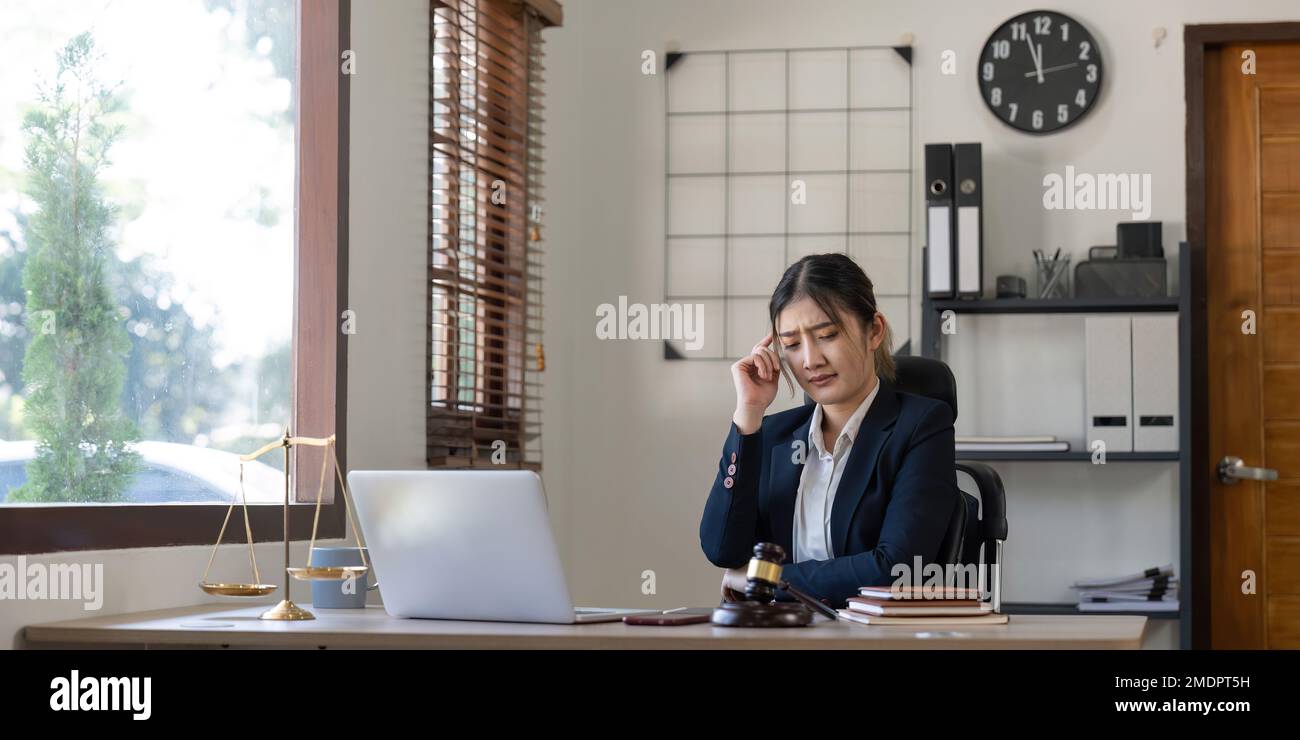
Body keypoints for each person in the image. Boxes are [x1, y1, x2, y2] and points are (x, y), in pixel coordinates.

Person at [699, 253, 959, 608]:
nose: (810, 360)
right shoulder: (775, 434)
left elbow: (895, 568)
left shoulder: (921, 426)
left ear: (875, 331)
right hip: (781, 635)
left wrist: (765, 577)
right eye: (791, 344)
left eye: (827, 335)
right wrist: (748, 415)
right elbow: (722, 549)